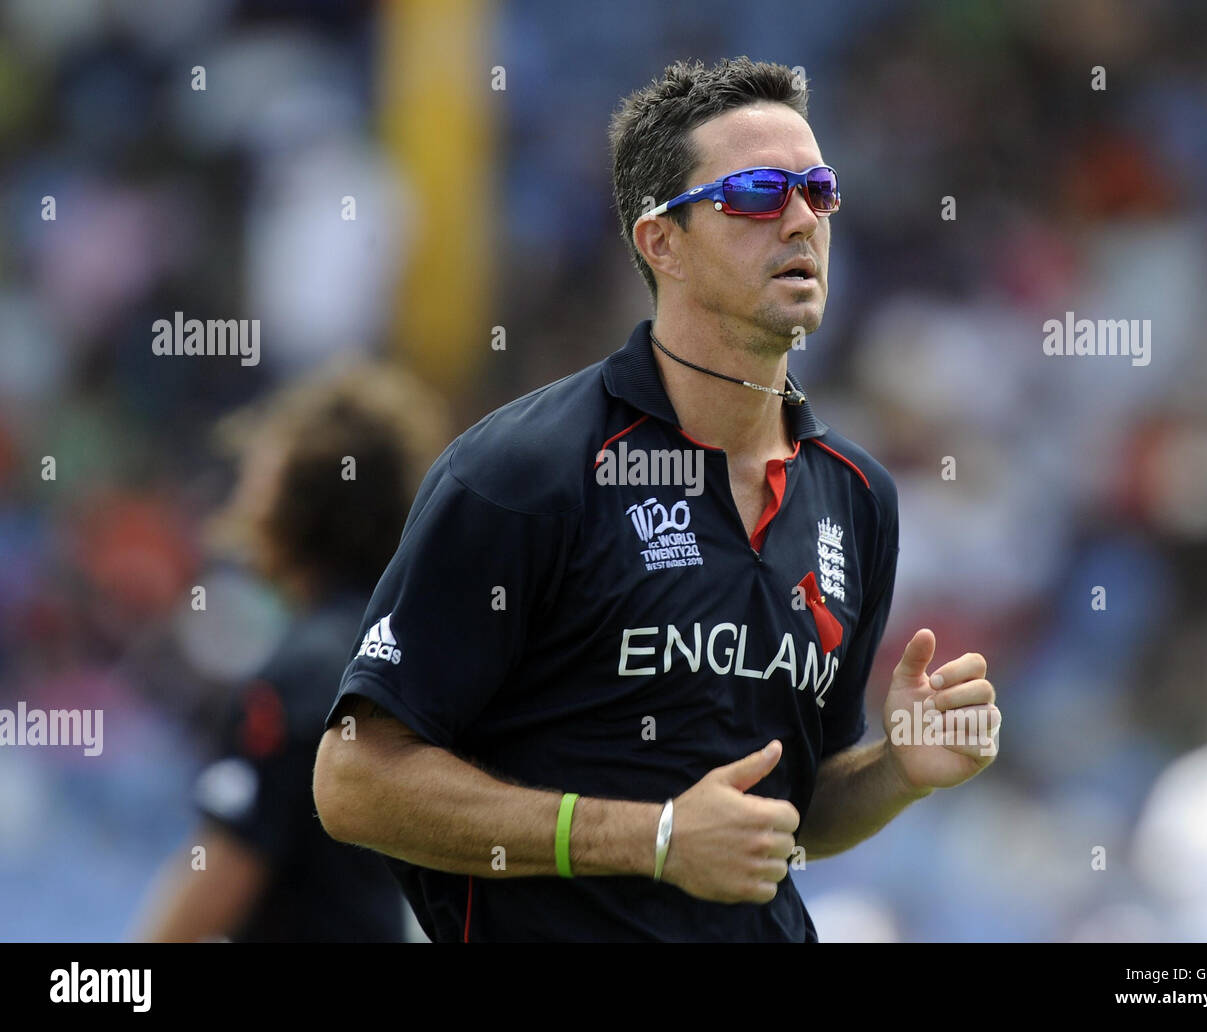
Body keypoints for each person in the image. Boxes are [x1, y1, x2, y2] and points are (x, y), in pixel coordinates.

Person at [313, 56, 1001, 943]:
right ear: (661, 243)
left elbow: (786, 817)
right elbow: (355, 781)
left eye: (818, 190)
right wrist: (653, 838)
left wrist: (898, 772)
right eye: (757, 193)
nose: (800, 219)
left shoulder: (857, 496)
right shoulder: (525, 471)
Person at [134, 361, 446, 942]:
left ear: (296, 500)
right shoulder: (396, 651)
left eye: (260, 474)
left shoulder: (297, 675)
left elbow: (224, 870)